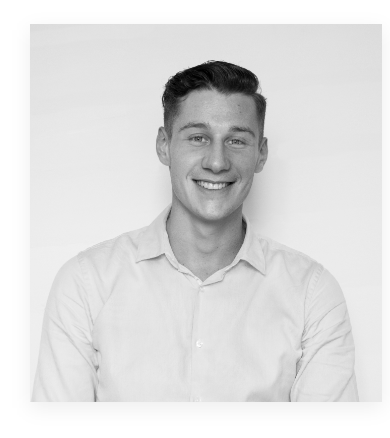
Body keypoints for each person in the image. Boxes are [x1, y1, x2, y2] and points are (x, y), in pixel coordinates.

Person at [32, 61, 358, 402]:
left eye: (236, 140)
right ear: (164, 145)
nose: (217, 162)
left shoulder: (311, 294)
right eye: (198, 138)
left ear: (261, 154)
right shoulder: (86, 283)